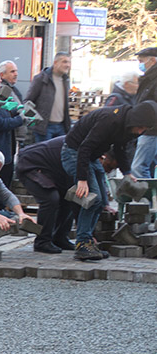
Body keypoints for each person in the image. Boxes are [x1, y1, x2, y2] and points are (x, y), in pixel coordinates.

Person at [61, 101, 157, 260]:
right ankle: (82, 244)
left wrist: (127, 173)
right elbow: (84, 147)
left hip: (90, 156)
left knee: (102, 200)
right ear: (137, 120)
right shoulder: (110, 120)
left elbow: (120, 148)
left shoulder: (126, 125)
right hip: (74, 153)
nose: (140, 132)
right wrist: (82, 179)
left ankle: (88, 241)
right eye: (141, 128)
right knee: (93, 198)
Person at [15, 137, 77, 254]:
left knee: (69, 199)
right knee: (50, 199)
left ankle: (60, 237)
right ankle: (42, 242)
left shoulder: (90, 152)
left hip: (51, 169)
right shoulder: (75, 149)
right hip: (29, 164)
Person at [25, 52, 72, 143]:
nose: (67, 65)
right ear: (55, 63)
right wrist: (35, 121)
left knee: (58, 155)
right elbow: (27, 102)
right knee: (44, 155)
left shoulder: (65, 80)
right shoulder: (41, 79)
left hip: (61, 127)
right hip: (44, 128)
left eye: (69, 62)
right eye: (64, 62)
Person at [130, 47, 157, 178]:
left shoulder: (154, 80)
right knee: (148, 164)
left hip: (151, 130)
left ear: (153, 60)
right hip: (148, 128)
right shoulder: (148, 79)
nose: (140, 65)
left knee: (138, 167)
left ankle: (146, 197)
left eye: (142, 61)